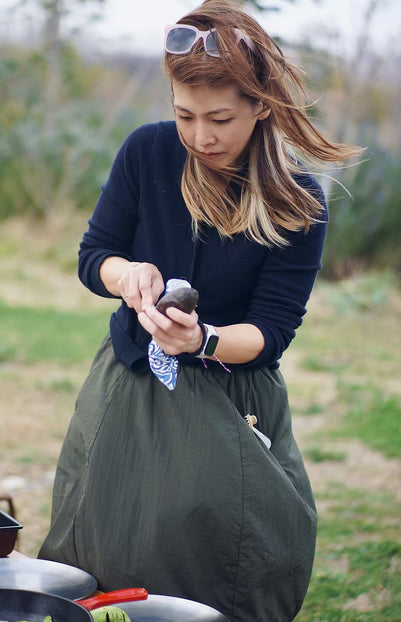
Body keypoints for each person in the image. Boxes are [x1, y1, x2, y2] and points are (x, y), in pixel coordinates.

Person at [38, 1, 361, 620]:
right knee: (105, 540)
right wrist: (125, 275)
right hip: (129, 382)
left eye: (220, 119)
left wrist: (203, 339)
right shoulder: (147, 153)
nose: (201, 136)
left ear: (261, 105)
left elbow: (271, 332)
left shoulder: (299, 200)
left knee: (222, 558)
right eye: (184, 115)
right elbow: (94, 254)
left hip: (232, 396)